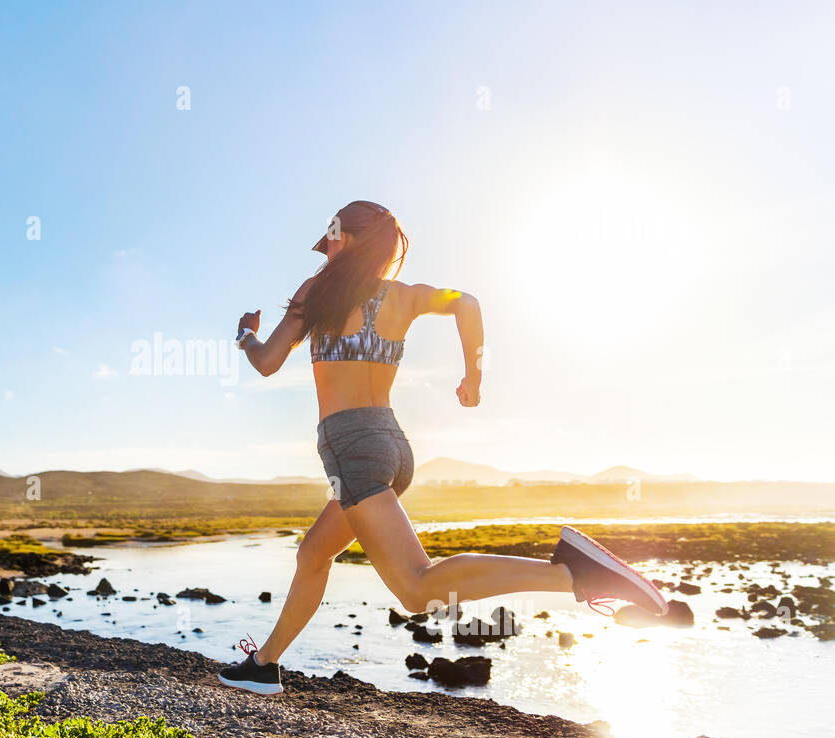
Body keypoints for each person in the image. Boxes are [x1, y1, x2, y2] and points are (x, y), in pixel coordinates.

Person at [219, 200, 667, 695]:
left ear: (343, 238)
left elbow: (266, 363)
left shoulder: (315, 294)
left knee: (415, 588)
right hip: (391, 446)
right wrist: (473, 375)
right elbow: (467, 302)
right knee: (313, 555)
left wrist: (246, 334)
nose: (325, 249)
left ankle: (573, 575)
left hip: (354, 448)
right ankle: (264, 664)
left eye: (330, 237)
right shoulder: (407, 296)